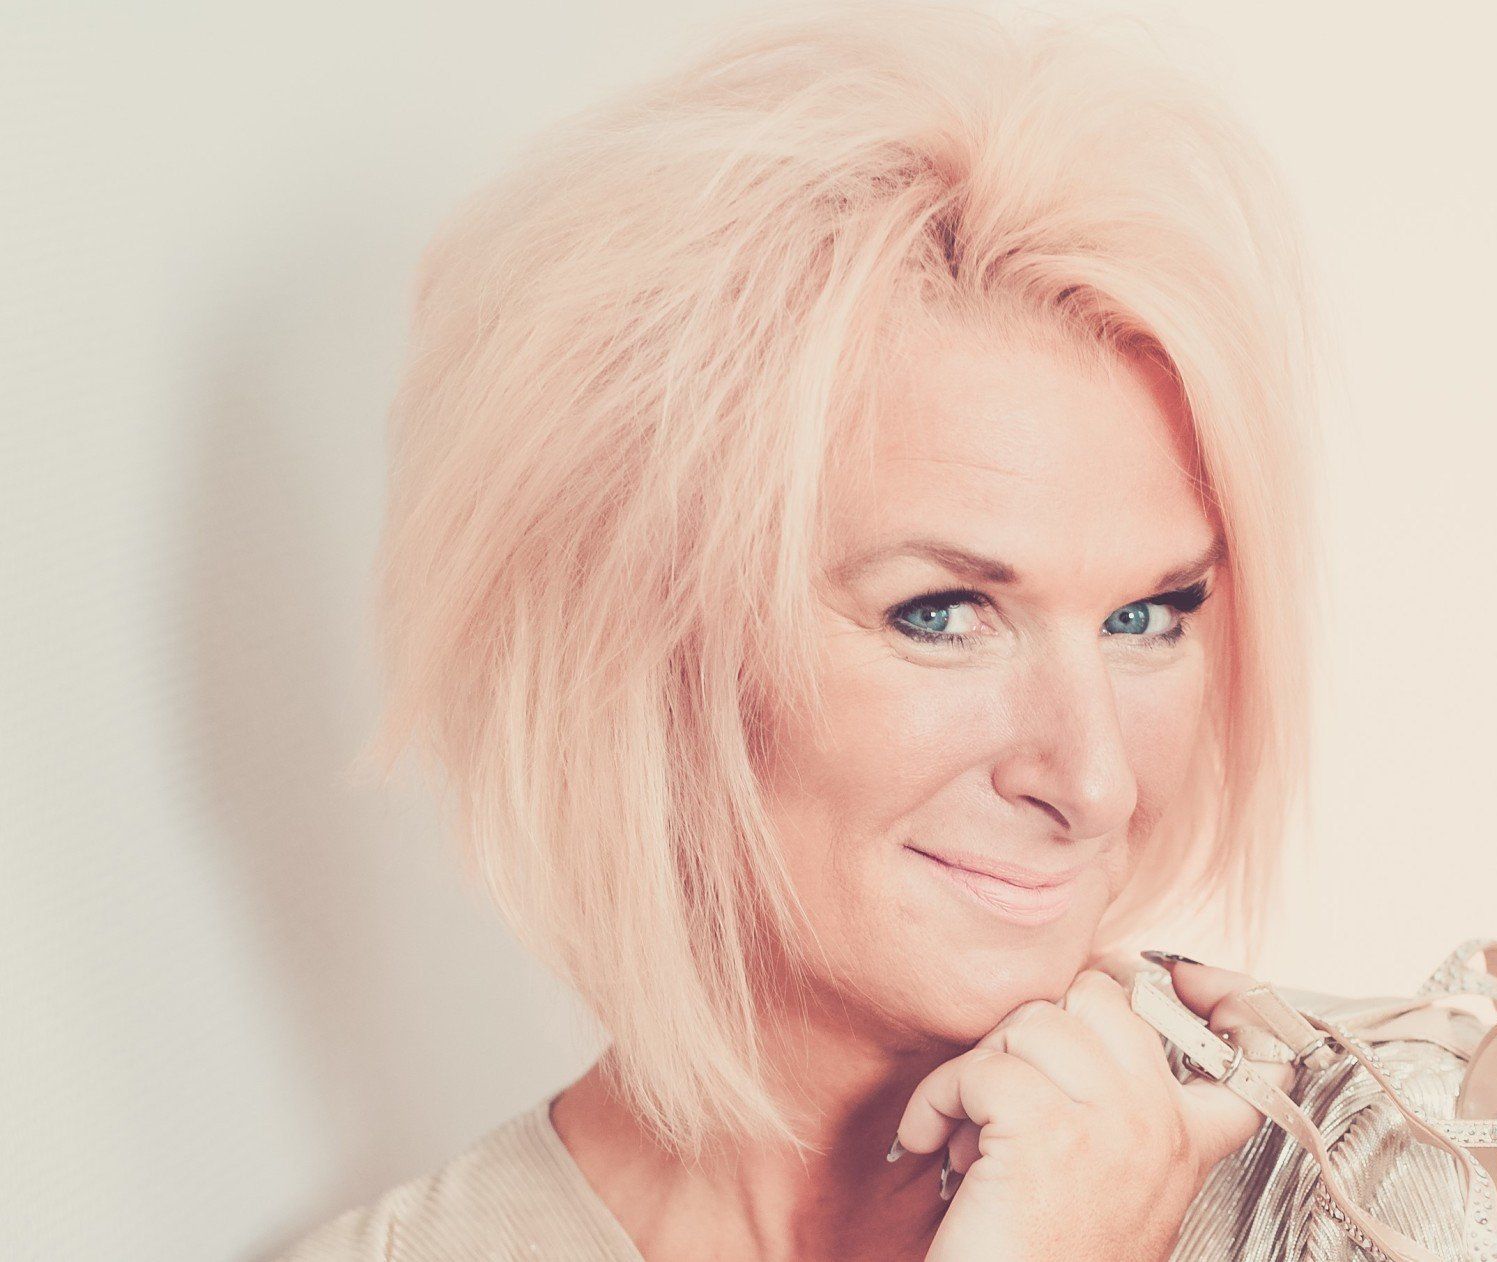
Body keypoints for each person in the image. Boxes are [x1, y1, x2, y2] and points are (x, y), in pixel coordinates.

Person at [277, 1, 1324, 1257]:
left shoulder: (1396, 1197)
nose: (1094, 782)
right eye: (943, 614)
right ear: (651, 645)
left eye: (1147, 617)